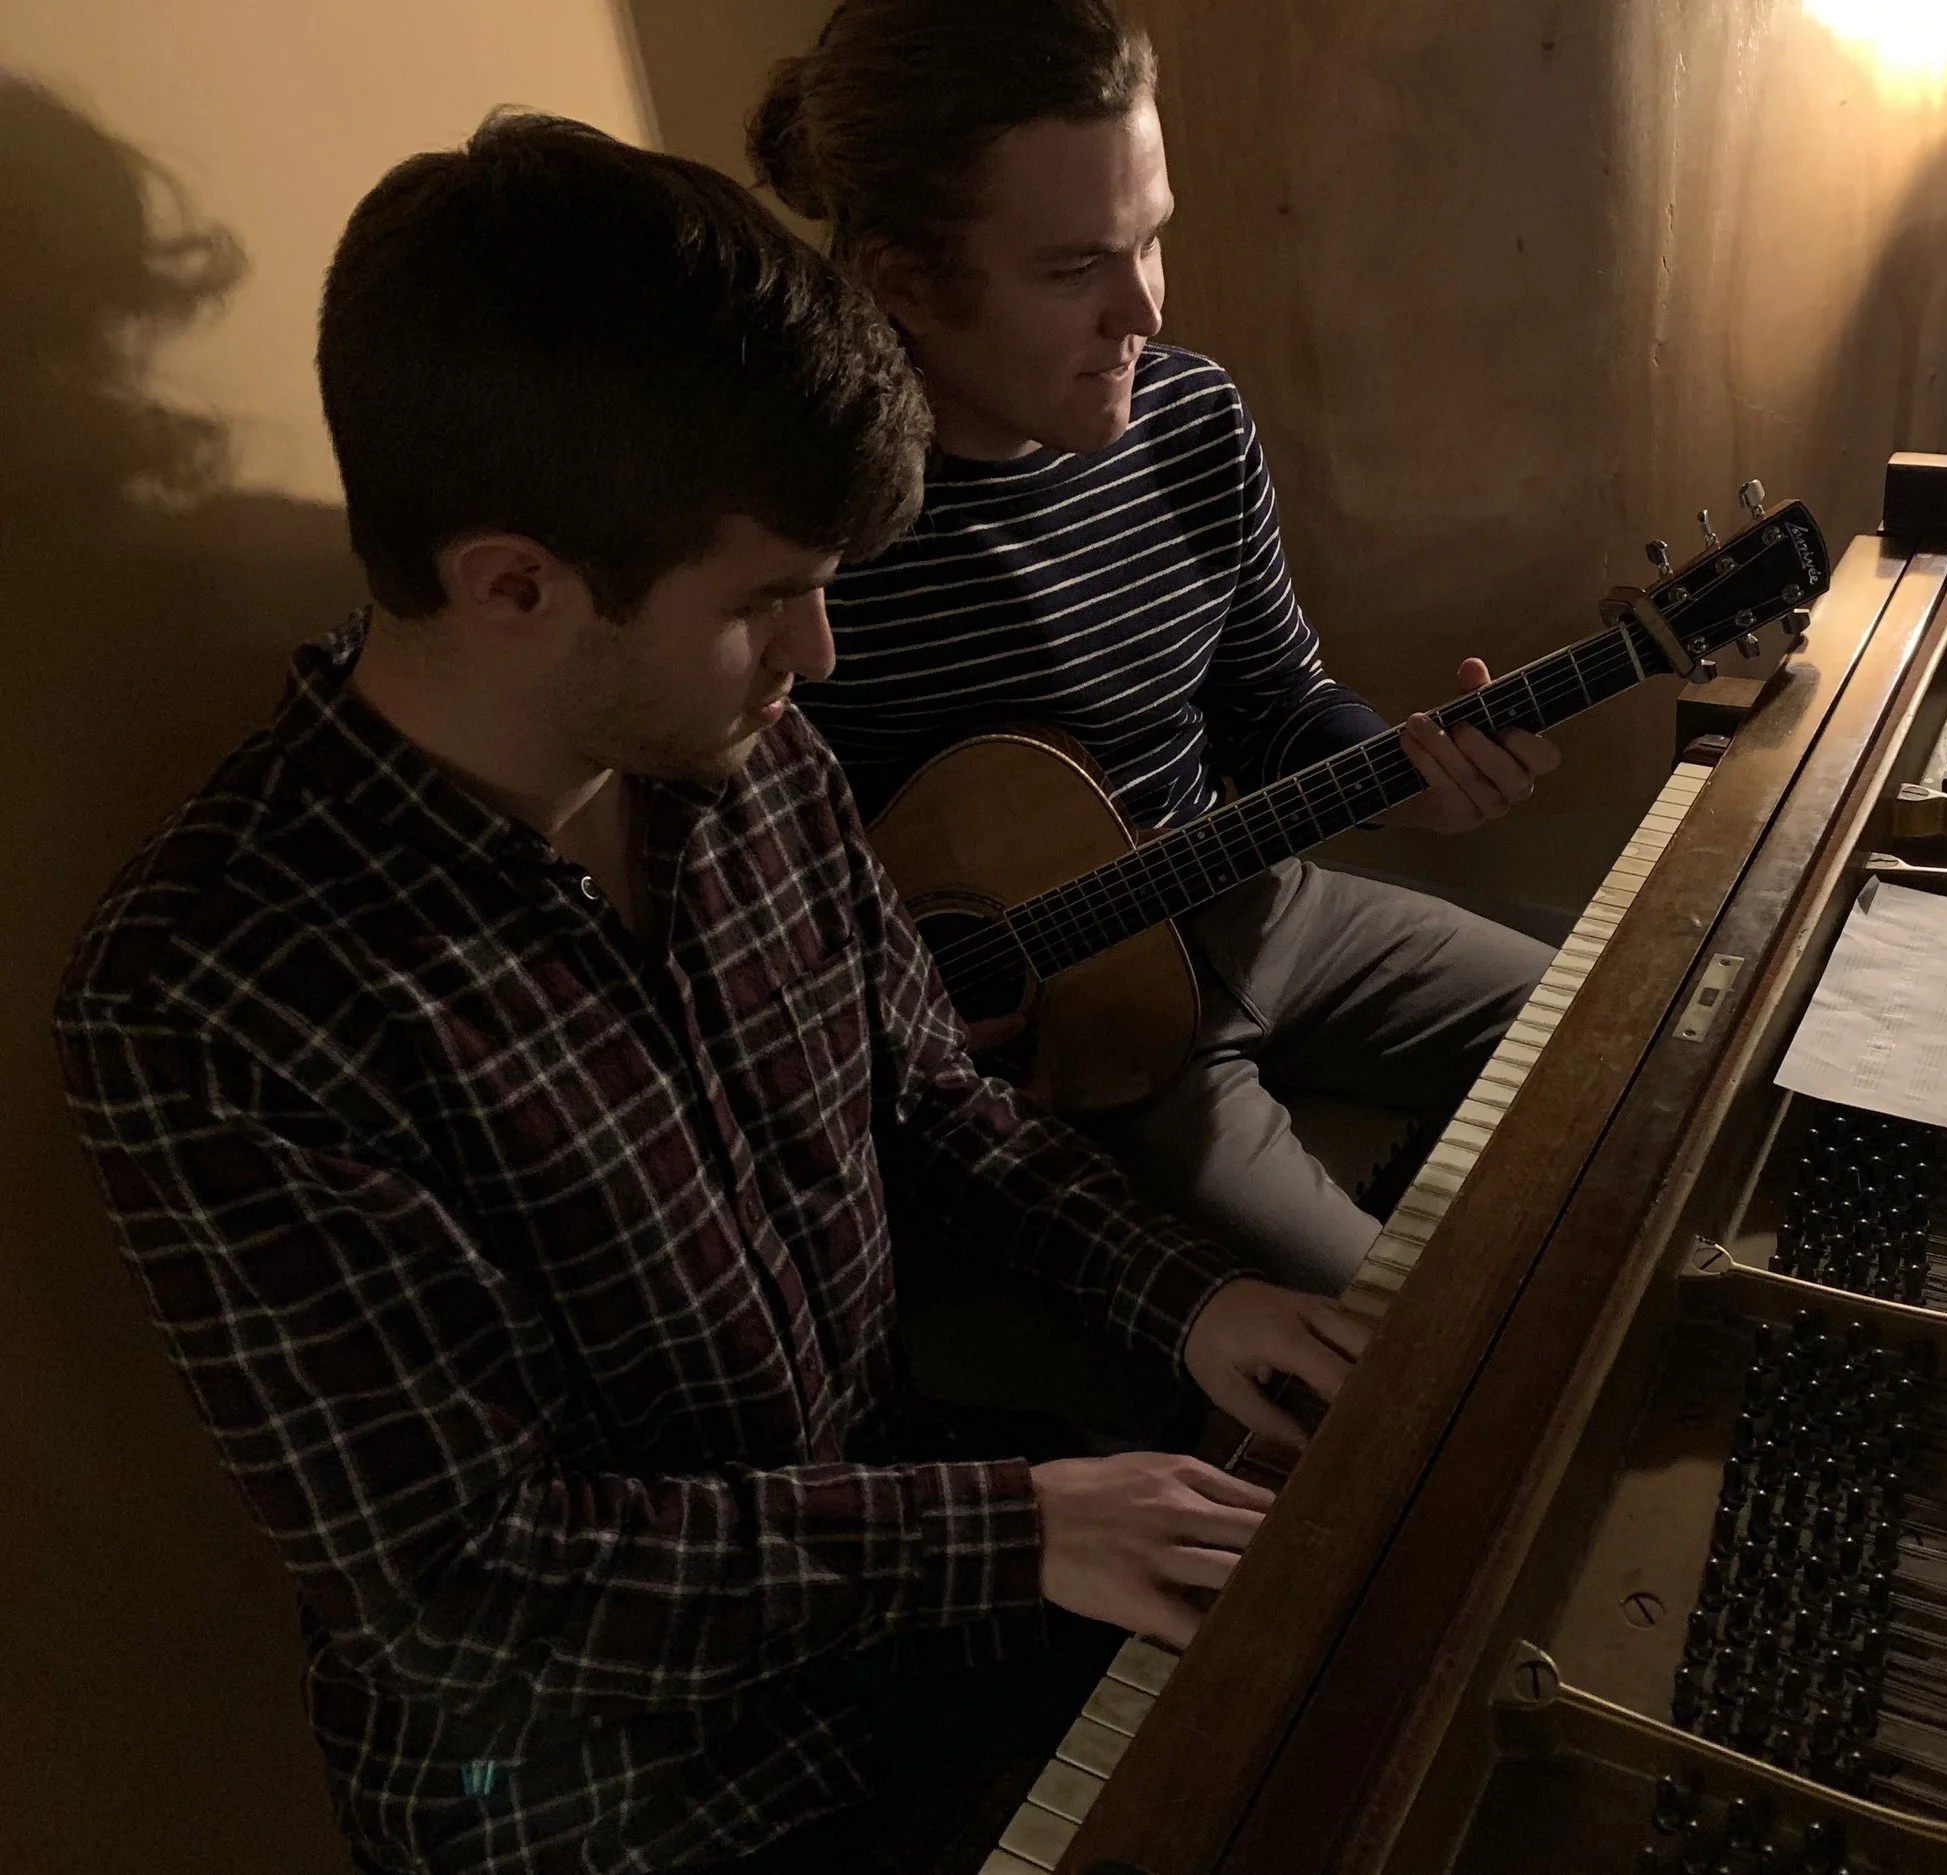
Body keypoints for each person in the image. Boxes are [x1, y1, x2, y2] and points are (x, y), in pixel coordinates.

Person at [54, 113, 1363, 1875]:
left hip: (915, 1623)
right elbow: (464, 1582)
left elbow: (927, 1099)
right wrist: (1013, 1526)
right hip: (635, 1803)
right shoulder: (218, 994)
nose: (817, 658)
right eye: (769, 602)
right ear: (509, 584)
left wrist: (1193, 1300)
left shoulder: (745, 757)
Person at [751, 0, 1563, 1293]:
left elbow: (1274, 698)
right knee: (1391, 1338)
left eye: (1152, 240)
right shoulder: (797, 539)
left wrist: (1408, 771)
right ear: (899, 278)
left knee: (1629, 1042)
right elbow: (745, 873)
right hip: (1104, 1045)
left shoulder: (1190, 420)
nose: (1143, 308)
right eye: (1075, 268)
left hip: (1260, 900)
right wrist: (894, 1001)